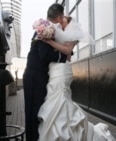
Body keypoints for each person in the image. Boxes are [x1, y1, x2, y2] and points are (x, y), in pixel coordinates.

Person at [37, 16, 116, 141]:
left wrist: (49, 42)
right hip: (53, 69)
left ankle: (65, 134)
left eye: (64, 22)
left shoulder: (74, 35)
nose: (61, 23)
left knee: (61, 98)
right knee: (55, 99)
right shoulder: (57, 31)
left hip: (63, 69)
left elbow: (68, 52)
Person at [23, 3, 76, 141]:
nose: (63, 19)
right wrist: (64, 56)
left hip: (41, 76)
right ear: (59, 17)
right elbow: (44, 55)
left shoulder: (51, 29)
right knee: (33, 112)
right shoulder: (45, 29)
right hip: (35, 76)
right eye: (62, 16)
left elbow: (55, 49)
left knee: (39, 110)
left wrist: (65, 51)